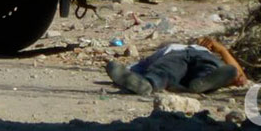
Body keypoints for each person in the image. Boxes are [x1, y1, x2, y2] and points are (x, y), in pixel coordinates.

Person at [105, 37, 248, 96]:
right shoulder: (170, 48)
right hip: (181, 56)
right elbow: (133, 70)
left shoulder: (169, 50)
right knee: (165, 70)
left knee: (162, 71)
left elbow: (242, 78)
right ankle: (201, 82)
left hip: (187, 56)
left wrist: (222, 50)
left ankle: (151, 83)